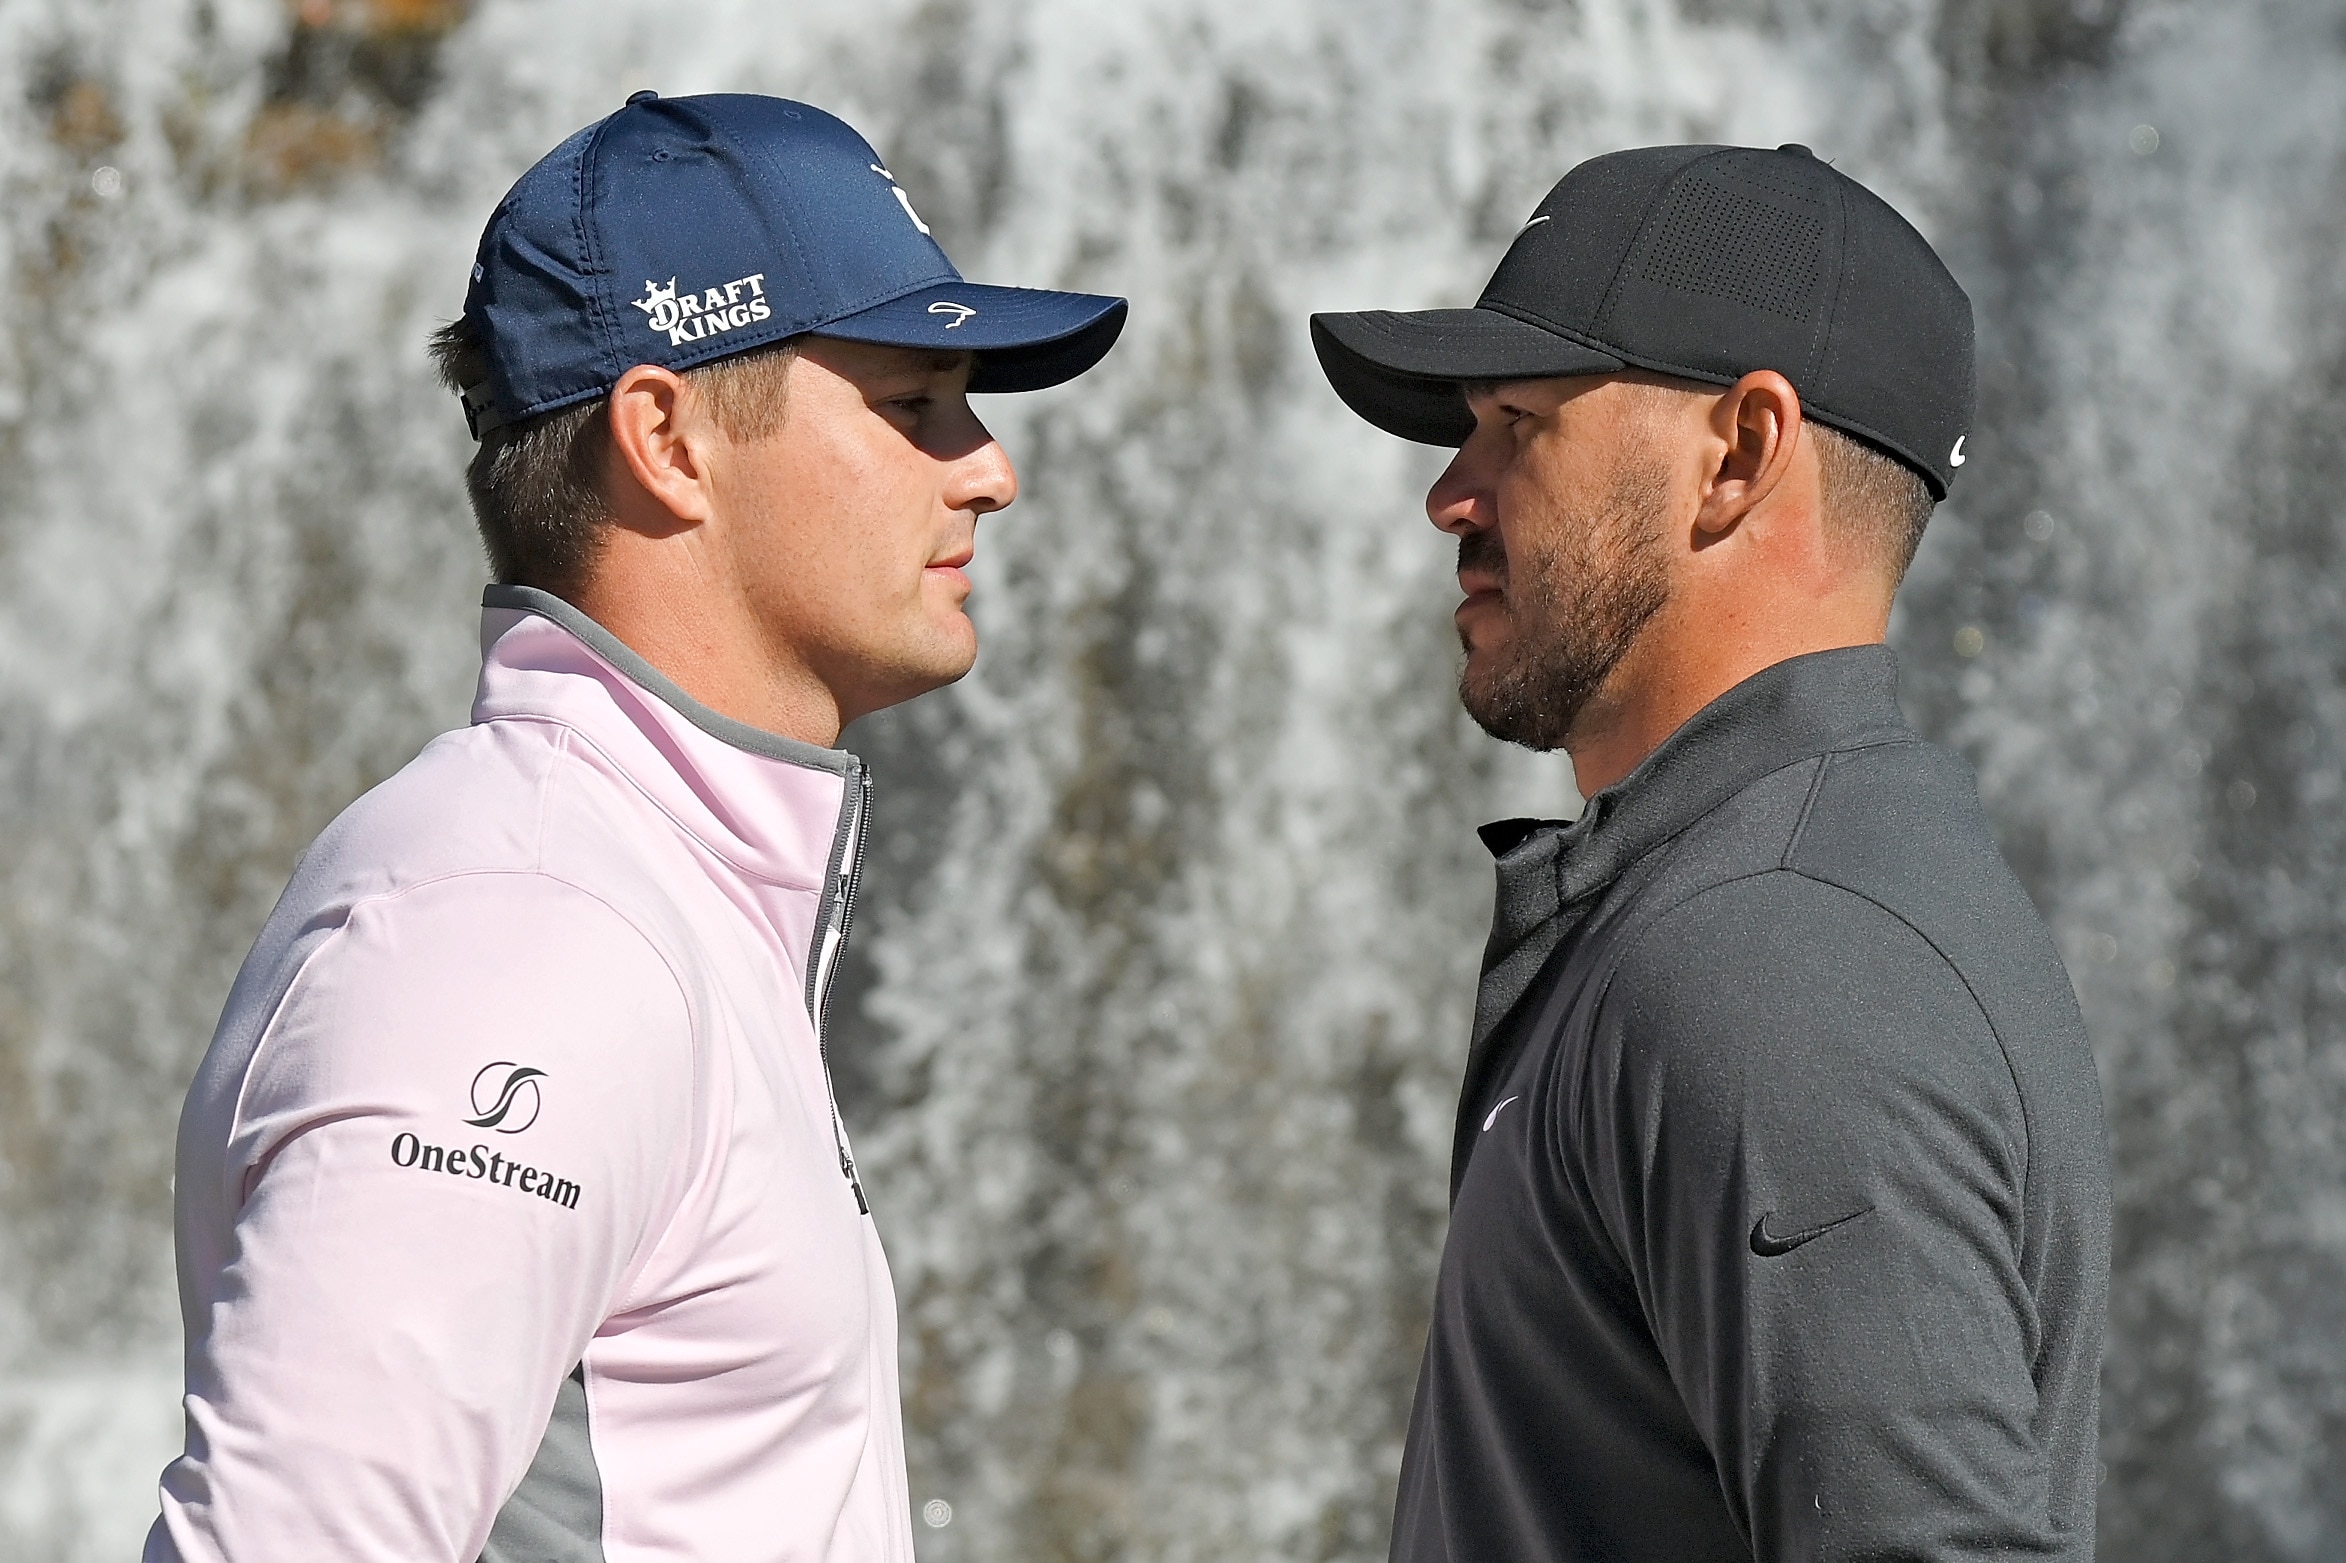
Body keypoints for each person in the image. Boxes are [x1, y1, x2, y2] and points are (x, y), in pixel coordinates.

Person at [146, 91, 1124, 1562]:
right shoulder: (526, 933)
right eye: (914, 401)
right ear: (667, 438)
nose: (988, 465)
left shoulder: (627, 891)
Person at [1311, 143, 2108, 1562]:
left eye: (1516, 421)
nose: (1450, 493)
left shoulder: (1774, 959)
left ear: (1739, 452)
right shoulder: (1775, 901)